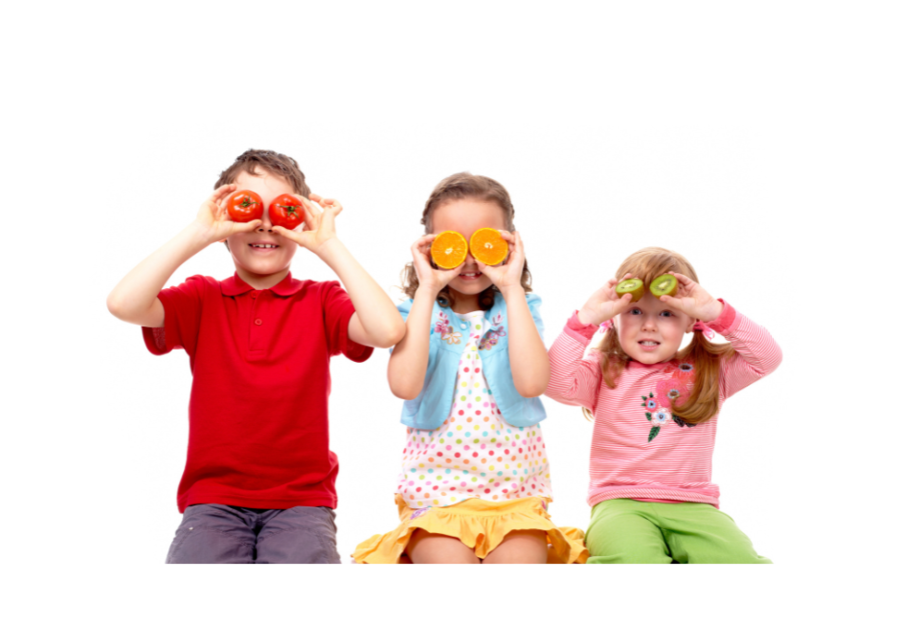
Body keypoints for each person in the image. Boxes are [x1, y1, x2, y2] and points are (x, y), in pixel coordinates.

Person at [106, 149, 405, 563]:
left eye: (280, 210)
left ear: (300, 219)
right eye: (247, 209)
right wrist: (198, 231)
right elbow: (123, 303)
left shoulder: (321, 300)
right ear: (224, 225)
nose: (265, 223)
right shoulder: (202, 297)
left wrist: (328, 243)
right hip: (213, 498)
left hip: (302, 500)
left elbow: (387, 330)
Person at [353, 173, 587, 564]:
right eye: (453, 244)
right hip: (435, 495)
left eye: (485, 242)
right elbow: (404, 386)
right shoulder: (416, 312)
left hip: (515, 495)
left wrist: (511, 287)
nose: (470, 258)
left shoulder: (520, 308)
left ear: (510, 244)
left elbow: (532, 382)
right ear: (430, 248)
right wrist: (426, 288)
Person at [545, 246, 781, 563]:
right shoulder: (605, 368)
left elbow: (769, 357)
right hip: (620, 504)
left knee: (739, 562)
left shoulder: (710, 368)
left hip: (694, 504)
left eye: (667, 313)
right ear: (613, 318)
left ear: (690, 322)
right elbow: (554, 382)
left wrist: (716, 313)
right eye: (635, 311)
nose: (650, 325)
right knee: (632, 561)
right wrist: (584, 321)